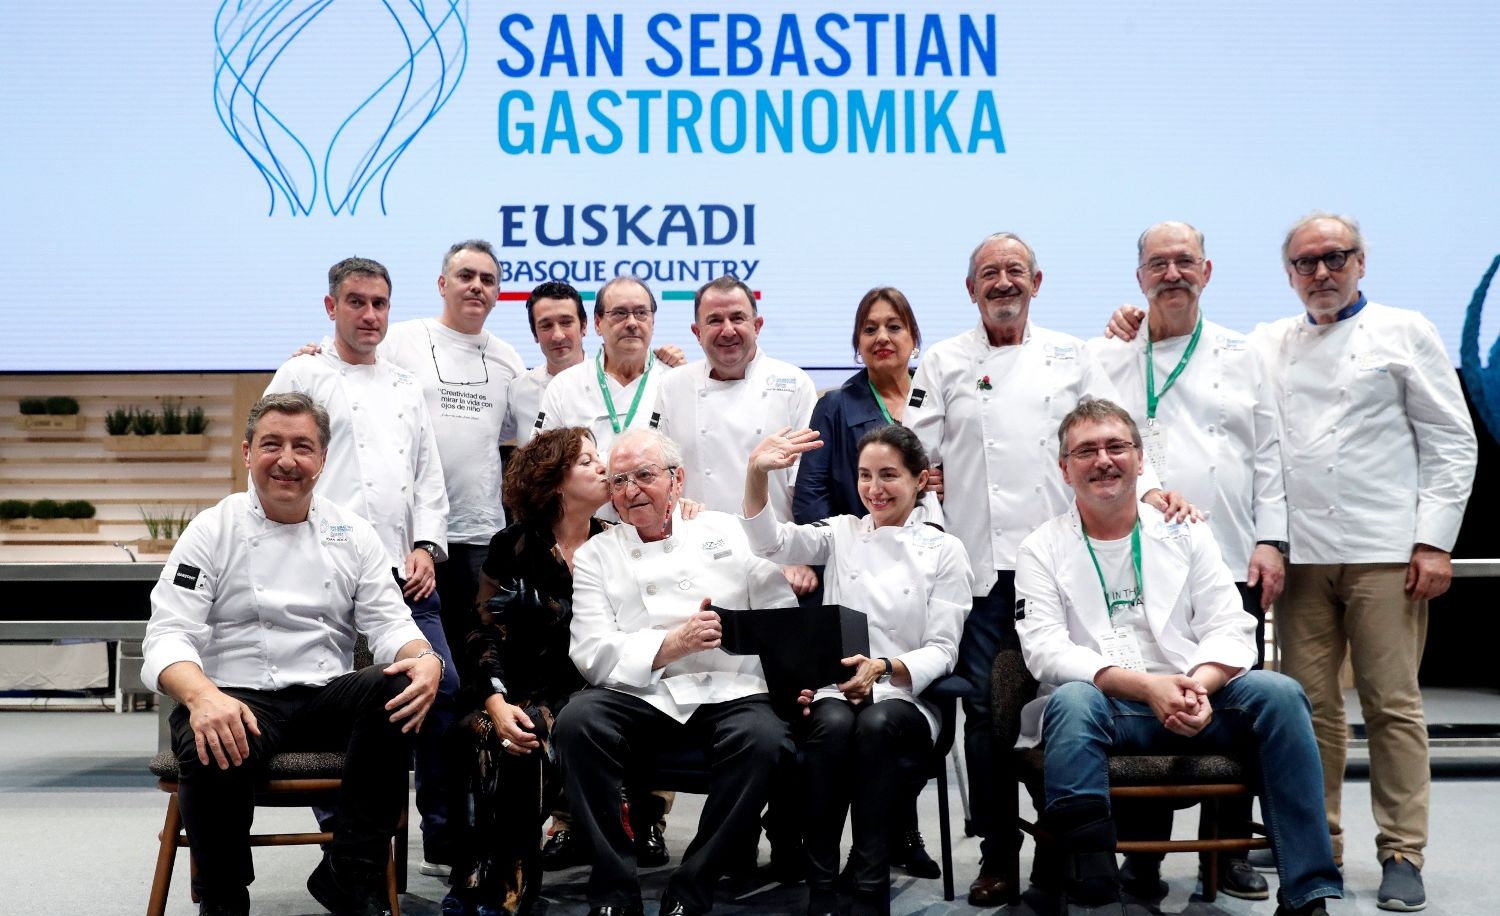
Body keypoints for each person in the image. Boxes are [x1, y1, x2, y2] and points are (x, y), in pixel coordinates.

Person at [1106, 213, 1478, 911]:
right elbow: (1267, 441)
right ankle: (1320, 842)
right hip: (1301, 556)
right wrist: (1128, 321)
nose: (1321, 273)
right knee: (1308, 712)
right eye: (1305, 264)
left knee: (1392, 706)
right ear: (1288, 275)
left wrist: (1435, 539)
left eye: (1334, 258)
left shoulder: (1407, 331)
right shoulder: (1270, 341)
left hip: (1384, 549)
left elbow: (1452, 441)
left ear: (1361, 261)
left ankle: (1402, 850)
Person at [905, 232, 1179, 905]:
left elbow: (1114, 435)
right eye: (989, 274)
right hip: (981, 573)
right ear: (971, 289)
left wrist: (1152, 494)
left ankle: (1105, 849)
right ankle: (1000, 854)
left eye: (1015, 271)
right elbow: (915, 455)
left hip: (1069, 562)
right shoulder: (941, 361)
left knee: (1095, 698)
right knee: (984, 712)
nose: (1003, 283)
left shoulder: (1073, 355)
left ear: (1038, 281)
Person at [1013, 398, 1341, 916]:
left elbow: (1231, 625)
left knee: (1280, 693)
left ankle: (1308, 896)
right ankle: (1096, 894)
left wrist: (1198, 687)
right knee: (1072, 700)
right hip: (1110, 708)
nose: (1103, 459)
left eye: (1116, 446)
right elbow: (1045, 650)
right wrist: (1147, 688)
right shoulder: (1040, 547)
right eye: (1086, 451)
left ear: (1141, 461)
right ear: (1063, 467)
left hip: (1195, 698)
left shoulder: (1185, 530)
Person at [142, 393, 444, 916]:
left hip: (325, 698)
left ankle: (350, 875)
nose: (287, 460)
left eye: (303, 446)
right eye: (272, 445)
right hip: (237, 698)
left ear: (323, 460)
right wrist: (203, 697)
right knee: (210, 734)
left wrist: (425, 658)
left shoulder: (353, 533)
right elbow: (168, 634)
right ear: (246, 453)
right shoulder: (213, 529)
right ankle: (224, 898)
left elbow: (391, 624)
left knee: (404, 684)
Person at [1085, 221, 1286, 899]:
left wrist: (1272, 539)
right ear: (1139, 276)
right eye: (1157, 264)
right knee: (1154, 693)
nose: (1171, 273)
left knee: (1227, 702)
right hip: (1145, 554)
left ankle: (1225, 853)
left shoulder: (1245, 351)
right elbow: (1105, 442)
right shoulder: (1114, 350)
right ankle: (1142, 858)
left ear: (1207, 270)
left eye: (1184, 262)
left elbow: (1270, 452)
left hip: (1230, 549)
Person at [265, 256, 461, 874]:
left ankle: (441, 835)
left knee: (443, 688)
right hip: (322, 575)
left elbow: (428, 477)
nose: (369, 315)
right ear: (331, 308)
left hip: (404, 576)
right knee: (334, 707)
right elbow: (275, 470)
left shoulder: (405, 384)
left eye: (379, 303)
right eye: (356, 302)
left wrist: (428, 545)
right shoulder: (301, 374)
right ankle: (357, 849)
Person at [554, 428, 798, 916]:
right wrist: (670, 645)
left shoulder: (729, 530)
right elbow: (590, 650)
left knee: (767, 740)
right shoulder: (598, 556)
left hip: (731, 685)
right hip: (643, 691)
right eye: (618, 480)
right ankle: (614, 888)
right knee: (577, 723)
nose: (630, 490)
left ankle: (693, 884)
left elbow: (779, 609)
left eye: (644, 475)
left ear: (677, 479)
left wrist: (782, 670)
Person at [740, 424, 972, 916]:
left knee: (876, 723)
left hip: (907, 698)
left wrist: (885, 668)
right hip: (837, 690)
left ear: (920, 481)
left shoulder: (945, 550)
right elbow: (770, 543)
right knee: (833, 722)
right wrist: (757, 473)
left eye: (889, 475)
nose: (875, 488)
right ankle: (821, 883)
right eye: (866, 476)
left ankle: (869, 881)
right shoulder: (843, 532)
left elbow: (944, 649)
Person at [789, 287, 942, 878]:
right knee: (841, 719)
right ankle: (834, 858)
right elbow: (813, 493)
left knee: (887, 720)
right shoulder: (837, 403)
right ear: (856, 343)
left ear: (913, 337)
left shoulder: (935, 399)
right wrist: (831, 557)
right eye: (870, 328)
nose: (882, 337)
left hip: (928, 555)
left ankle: (896, 833)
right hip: (849, 567)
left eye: (894, 326)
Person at [440, 427, 612, 916]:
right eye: (587, 460)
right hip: (512, 685)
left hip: (587, 689)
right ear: (555, 481)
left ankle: (505, 883)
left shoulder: (618, 544)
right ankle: (483, 874)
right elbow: (481, 633)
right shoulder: (512, 544)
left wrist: (549, 609)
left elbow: (619, 632)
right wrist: (494, 699)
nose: (602, 467)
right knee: (483, 733)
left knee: (527, 734)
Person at [379, 240, 525, 696]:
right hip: (412, 538)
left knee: (477, 662)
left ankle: (473, 763)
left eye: (487, 280)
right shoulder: (400, 340)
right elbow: (350, 364)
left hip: (480, 534)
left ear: (498, 293)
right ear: (443, 284)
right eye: (466, 276)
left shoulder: (508, 359)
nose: (476, 287)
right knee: (419, 667)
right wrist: (314, 351)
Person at [536, 276, 673, 466]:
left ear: (653, 322)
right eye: (619, 313)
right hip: (584, 496)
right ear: (597, 323)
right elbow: (541, 463)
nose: (632, 322)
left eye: (641, 312)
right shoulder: (564, 385)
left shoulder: (674, 381)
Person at [507, 282, 591, 448]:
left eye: (566, 322)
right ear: (534, 334)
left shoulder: (609, 381)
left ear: (584, 326)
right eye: (546, 326)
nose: (558, 336)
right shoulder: (518, 390)